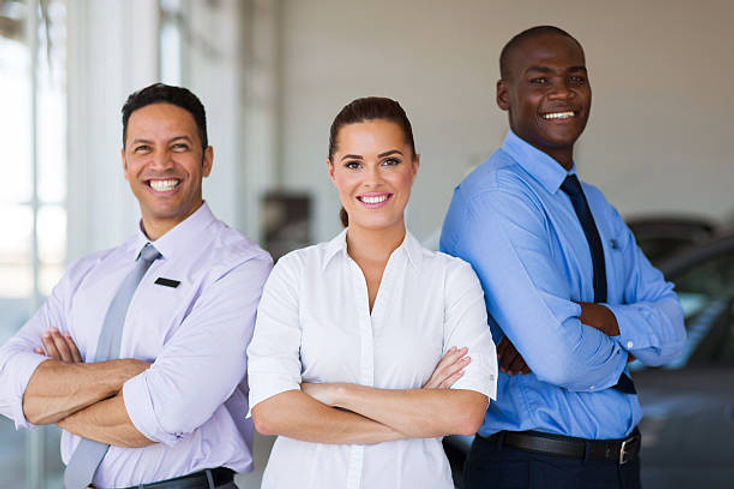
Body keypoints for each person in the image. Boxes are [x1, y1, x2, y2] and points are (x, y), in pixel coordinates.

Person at [440, 26, 687, 489]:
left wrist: (588, 318)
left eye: (575, 78)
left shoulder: (594, 203)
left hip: (614, 465)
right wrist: (630, 342)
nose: (561, 92)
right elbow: (561, 359)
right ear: (503, 94)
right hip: (536, 466)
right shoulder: (496, 198)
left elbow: (675, 329)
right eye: (539, 80)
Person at [0, 83, 272, 489]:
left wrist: (56, 400)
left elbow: (166, 410)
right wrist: (128, 374)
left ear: (207, 159)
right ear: (125, 162)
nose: (160, 163)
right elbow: (8, 383)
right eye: (143, 148)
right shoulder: (87, 274)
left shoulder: (241, 269)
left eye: (179, 146)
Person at [246, 96, 497, 489]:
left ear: (414, 166)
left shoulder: (453, 280)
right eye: (354, 164)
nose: (373, 180)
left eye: (390, 161)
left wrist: (336, 392)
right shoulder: (295, 274)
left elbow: (464, 414)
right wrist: (415, 411)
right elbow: (272, 412)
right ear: (332, 171)